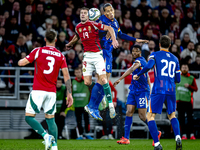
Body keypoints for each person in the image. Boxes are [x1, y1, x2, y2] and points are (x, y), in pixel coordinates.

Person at [18, 29, 73, 150]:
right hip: (51, 92)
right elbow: (66, 76)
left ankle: (45, 136)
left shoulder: (38, 51)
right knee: (51, 120)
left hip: (38, 90)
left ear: (44, 39)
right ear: (56, 40)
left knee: (29, 117)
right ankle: (54, 147)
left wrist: (20, 59)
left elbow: (22, 63)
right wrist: (69, 93)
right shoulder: (60, 55)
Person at [66, 7, 118, 121]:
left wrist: (114, 40)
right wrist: (70, 43)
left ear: (89, 16)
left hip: (97, 55)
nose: (83, 15)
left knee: (104, 79)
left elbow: (109, 28)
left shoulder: (94, 24)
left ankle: (108, 103)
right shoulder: (78, 26)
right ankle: (100, 97)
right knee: (87, 82)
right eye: (82, 13)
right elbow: (78, 35)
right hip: (87, 56)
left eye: (85, 13)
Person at [133, 35, 182, 150]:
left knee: (150, 116)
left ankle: (157, 144)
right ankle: (178, 137)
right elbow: (178, 79)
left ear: (159, 44)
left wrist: (138, 74)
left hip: (158, 89)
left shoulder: (154, 54)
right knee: (172, 115)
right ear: (170, 45)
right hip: (171, 90)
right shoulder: (175, 59)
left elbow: (149, 66)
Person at [98, 3, 149, 81]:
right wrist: (105, 30)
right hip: (102, 50)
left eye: (111, 10)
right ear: (104, 13)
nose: (110, 12)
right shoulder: (101, 20)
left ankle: (103, 93)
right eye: (107, 11)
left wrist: (135, 39)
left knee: (107, 76)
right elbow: (94, 31)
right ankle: (98, 93)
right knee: (102, 76)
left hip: (109, 52)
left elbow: (121, 35)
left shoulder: (115, 22)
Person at [113, 45, 151, 144]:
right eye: (133, 51)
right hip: (133, 90)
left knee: (142, 116)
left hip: (142, 91)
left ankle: (155, 131)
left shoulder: (141, 60)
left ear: (140, 52)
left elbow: (131, 70)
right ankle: (126, 138)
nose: (134, 53)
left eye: (137, 51)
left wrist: (119, 79)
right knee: (129, 112)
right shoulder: (136, 62)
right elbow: (147, 77)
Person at [176, 64, 198, 140]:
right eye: (183, 67)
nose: (184, 69)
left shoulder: (191, 78)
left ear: (188, 69)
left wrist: (189, 86)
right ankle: (184, 135)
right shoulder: (177, 77)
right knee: (181, 119)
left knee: (190, 119)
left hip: (188, 101)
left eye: (186, 67)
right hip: (179, 101)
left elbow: (196, 89)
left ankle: (191, 134)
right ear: (181, 69)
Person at [72, 67, 93, 140]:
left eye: (79, 72)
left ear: (82, 73)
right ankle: (80, 135)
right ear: (74, 73)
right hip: (77, 105)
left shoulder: (86, 81)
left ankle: (87, 134)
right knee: (79, 120)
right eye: (76, 72)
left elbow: (92, 91)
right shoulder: (72, 82)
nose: (78, 74)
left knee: (87, 120)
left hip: (86, 105)